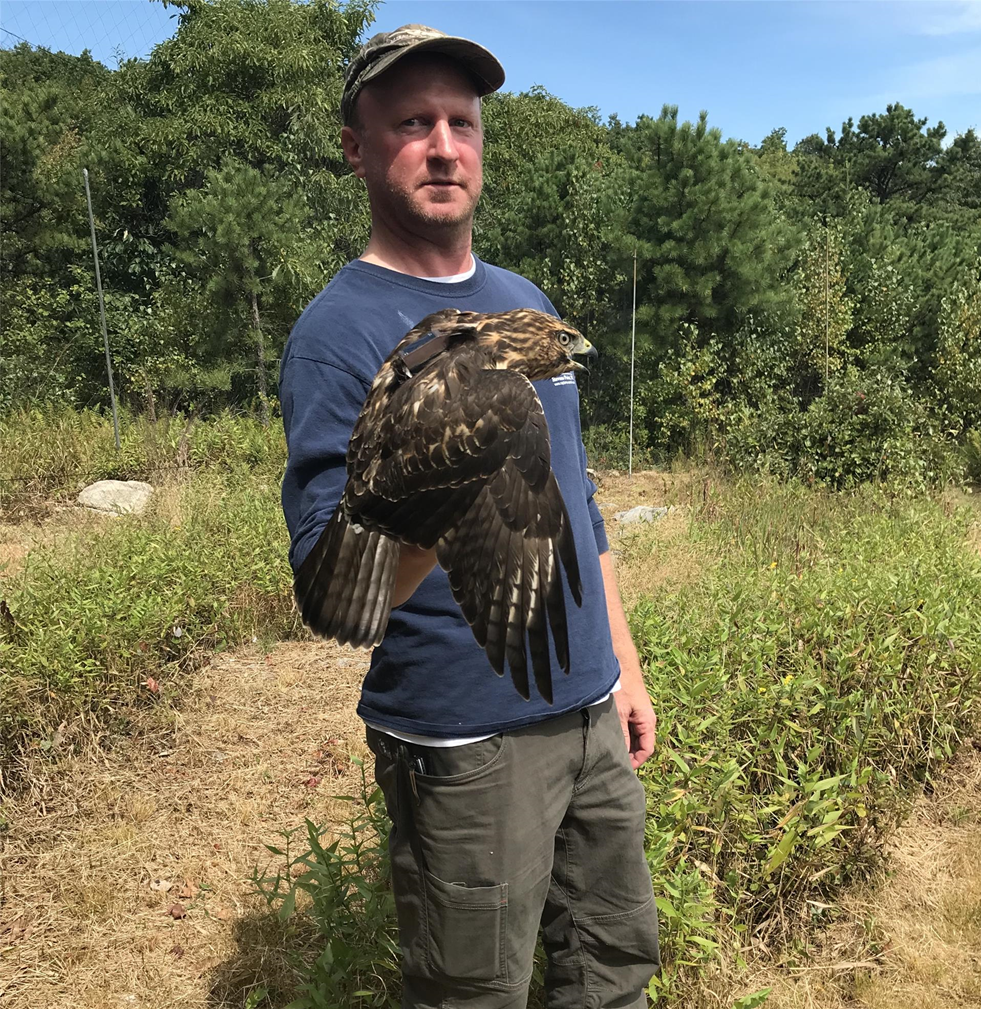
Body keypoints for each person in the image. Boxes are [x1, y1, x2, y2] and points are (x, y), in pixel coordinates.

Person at [279, 24, 660, 1008]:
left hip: (584, 707)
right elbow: (338, 597)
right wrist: (434, 474)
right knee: (470, 993)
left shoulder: (521, 302)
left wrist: (619, 664)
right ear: (358, 149)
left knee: (613, 967)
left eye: (462, 121)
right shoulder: (339, 332)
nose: (444, 144)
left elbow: (576, 498)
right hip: (465, 736)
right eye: (412, 123)